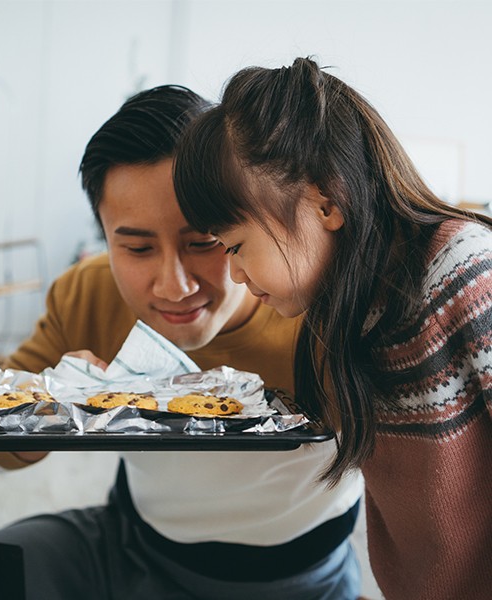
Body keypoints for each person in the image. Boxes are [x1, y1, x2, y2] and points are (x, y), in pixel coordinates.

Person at [0, 85, 365, 600]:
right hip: (130, 547)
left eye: (204, 242)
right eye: (136, 247)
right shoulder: (88, 294)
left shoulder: (323, 308)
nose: (174, 286)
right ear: (104, 239)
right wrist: (53, 410)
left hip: (304, 576)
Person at [172, 58, 492, 600]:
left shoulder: (461, 271)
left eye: (236, 245)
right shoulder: (344, 309)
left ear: (324, 202)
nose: (235, 272)